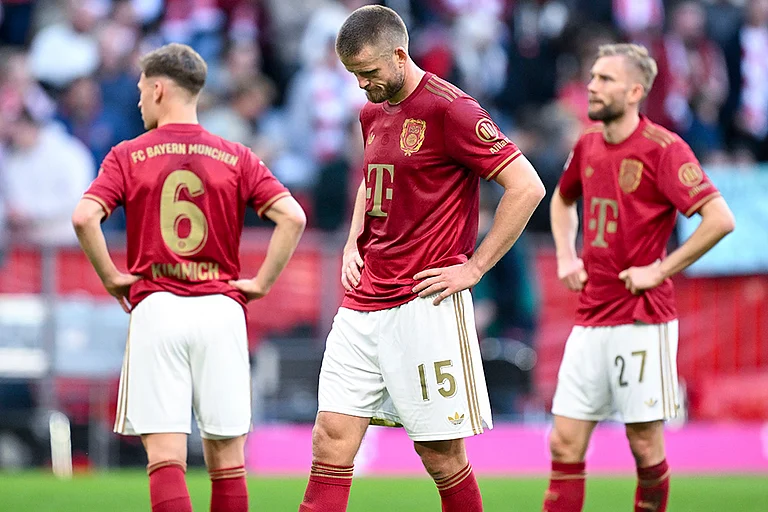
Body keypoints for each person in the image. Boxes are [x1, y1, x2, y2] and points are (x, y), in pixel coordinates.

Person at [298, 6, 545, 512]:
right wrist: (352, 243)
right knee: (330, 437)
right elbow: (372, 179)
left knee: (440, 454)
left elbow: (527, 185)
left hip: (424, 302)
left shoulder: (452, 110)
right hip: (363, 302)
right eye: (353, 76)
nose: (362, 86)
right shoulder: (371, 112)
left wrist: (474, 267)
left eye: (368, 73)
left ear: (400, 54)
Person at [71, 43, 306, 512]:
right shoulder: (236, 155)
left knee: (165, 457)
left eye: (141, 90)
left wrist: (114, 277)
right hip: (220, 308)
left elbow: (83, 218)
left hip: (157, 305)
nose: (139, 100)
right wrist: (258, 284)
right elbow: (293, 217)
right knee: (227, 459)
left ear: (158, 89)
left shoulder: (128, 154)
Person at [544, 43, 735, 512]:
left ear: (634, 91)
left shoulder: (665, 149)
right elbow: (562, 199)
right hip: (591, 317)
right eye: (591, 77)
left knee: (644, 447)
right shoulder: (587, 144)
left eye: (604, 79)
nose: (592, 86)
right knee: (564, 445)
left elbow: (719, 218)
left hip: (641, 320)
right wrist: (567, 256)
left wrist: (660, 269)